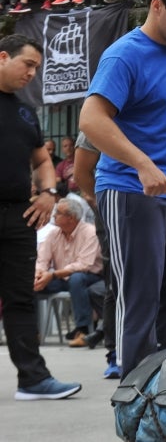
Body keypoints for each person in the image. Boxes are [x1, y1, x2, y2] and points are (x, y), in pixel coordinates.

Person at [78, 0, 166, 378]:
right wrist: (142, 163)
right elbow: (91, 120)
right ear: (156, 6)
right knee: (140, 298)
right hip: (131, 189)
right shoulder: (123, 54)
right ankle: (135, 393)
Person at [0, 34, 81, 400]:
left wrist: (49, 193)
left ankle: (32, 380)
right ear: (3, 57)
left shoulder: (24, 110)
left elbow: (42, 160)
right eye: (27, 64)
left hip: (18, 215)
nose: (32, 73)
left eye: (36, 67)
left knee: (20, 298)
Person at [73, 130, 120, 378]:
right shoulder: (96, 121)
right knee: (115, 281)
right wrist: (102, 200)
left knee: (155, 278)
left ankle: (158, 349)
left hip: (153, 204)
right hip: (111, 206)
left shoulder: (152, 110)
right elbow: (81, 173)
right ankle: (114, 353)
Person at [33, 198, 103, 348]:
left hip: (90, 276)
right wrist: (39, 275)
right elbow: (42, 260)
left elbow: (84, 265)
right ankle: (33, 333)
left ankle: (82, 331)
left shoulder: (90, 232)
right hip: (61, 277)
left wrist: (52, 275)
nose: (53, 216)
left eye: (58, 213)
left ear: (70, 218)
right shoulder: (53, 234)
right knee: (31, 284)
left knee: (76, 279)